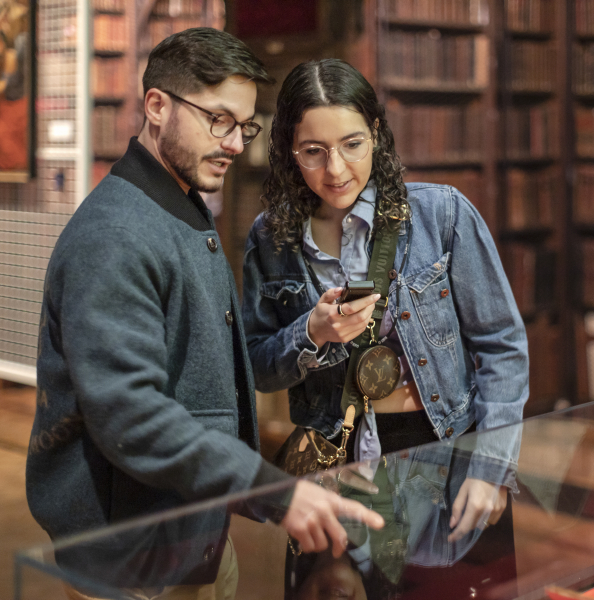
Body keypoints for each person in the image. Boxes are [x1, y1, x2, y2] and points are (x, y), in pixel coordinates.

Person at [25, 29, 382, 599]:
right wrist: (273, 489)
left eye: (244, 125)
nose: (237, 143)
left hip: (187, 536)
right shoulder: (117, 235)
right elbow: (130, 415)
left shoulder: (179, 205)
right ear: (157, 106)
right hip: (134, 559)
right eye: (219, 119)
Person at [241, 58, 528, 560]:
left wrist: (490, 470)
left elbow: (502, 348)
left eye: (352, 145)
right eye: (313, 152)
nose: (336, 170)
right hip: (335, 464)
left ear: (375, 134)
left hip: (445, 451)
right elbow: (256, 369)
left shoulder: (441, 214)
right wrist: (311, 332)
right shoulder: (270, 239)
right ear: (288, 150)